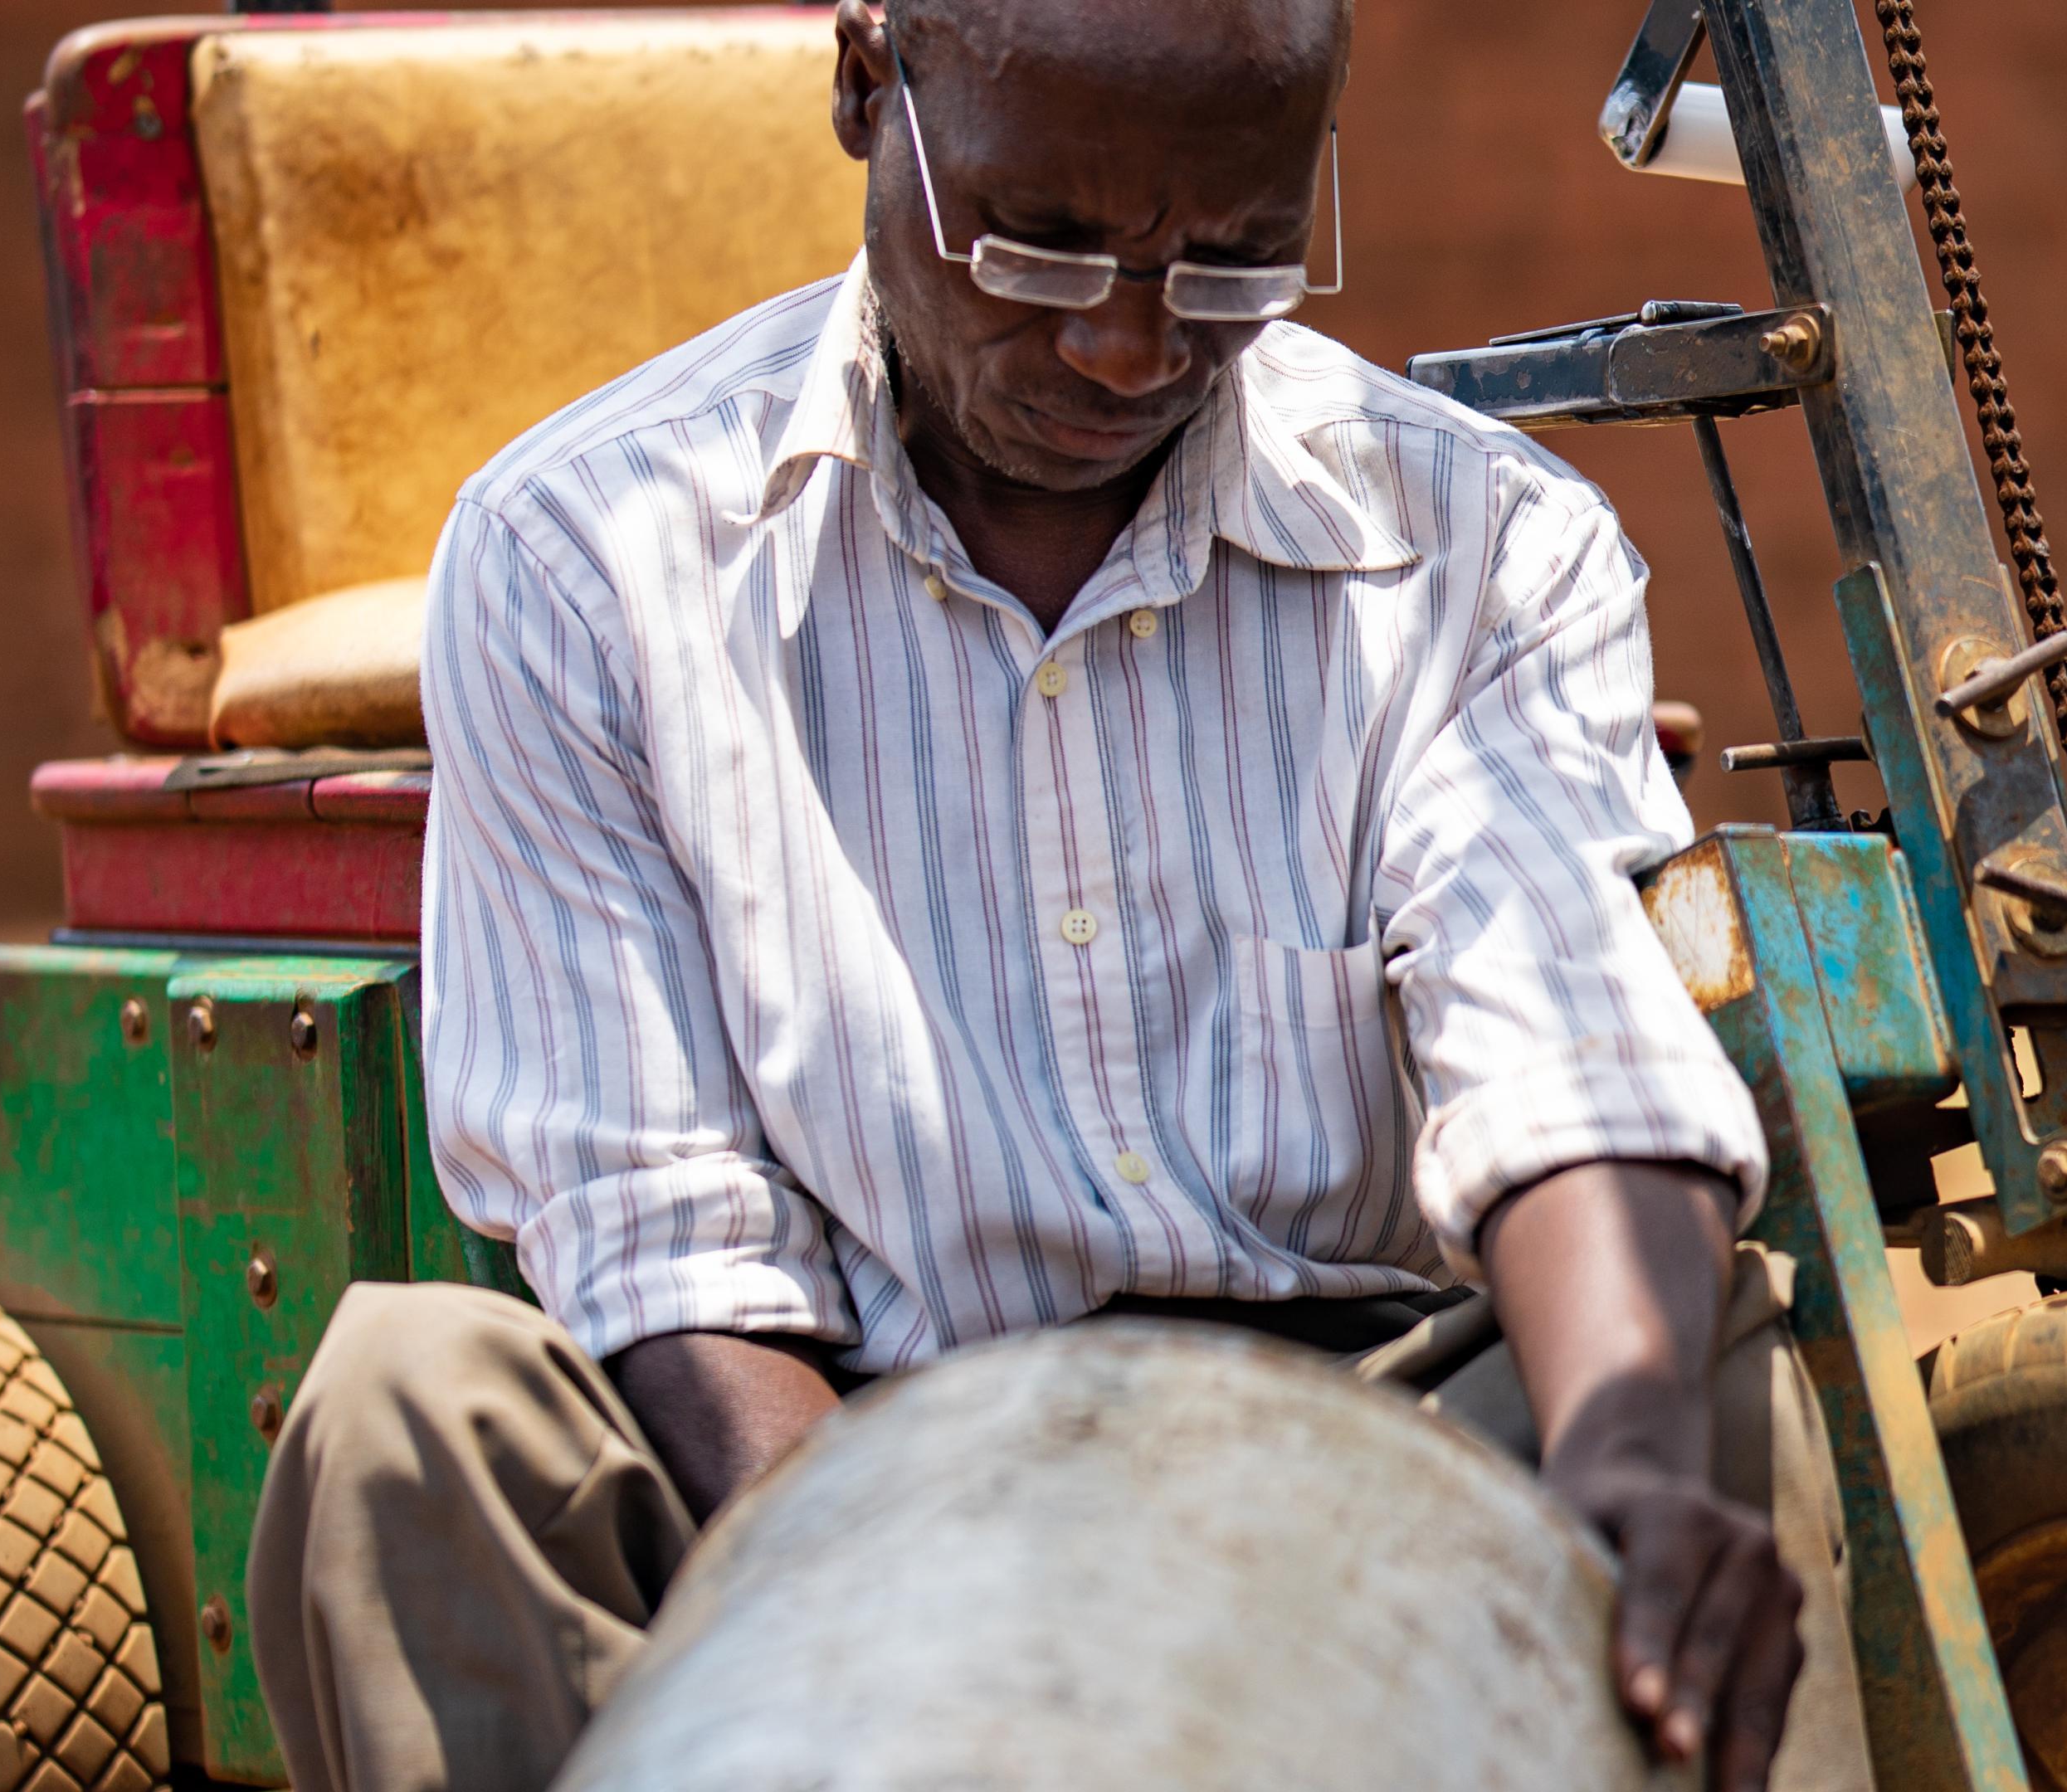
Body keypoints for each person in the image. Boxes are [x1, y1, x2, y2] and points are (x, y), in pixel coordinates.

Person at [248, 1, 1872, 1788]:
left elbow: (1561, 1049)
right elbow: (666, 1235)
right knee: (414, 1412)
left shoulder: (1487, 545)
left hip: (1357, 1449)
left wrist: (1623, 1474)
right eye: (1040, 246)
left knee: (1688, 1363)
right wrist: (960, 1660)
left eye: (1234, 269)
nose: (1124, 343)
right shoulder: (585, 556)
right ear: (872, 88)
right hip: (835, 1474)